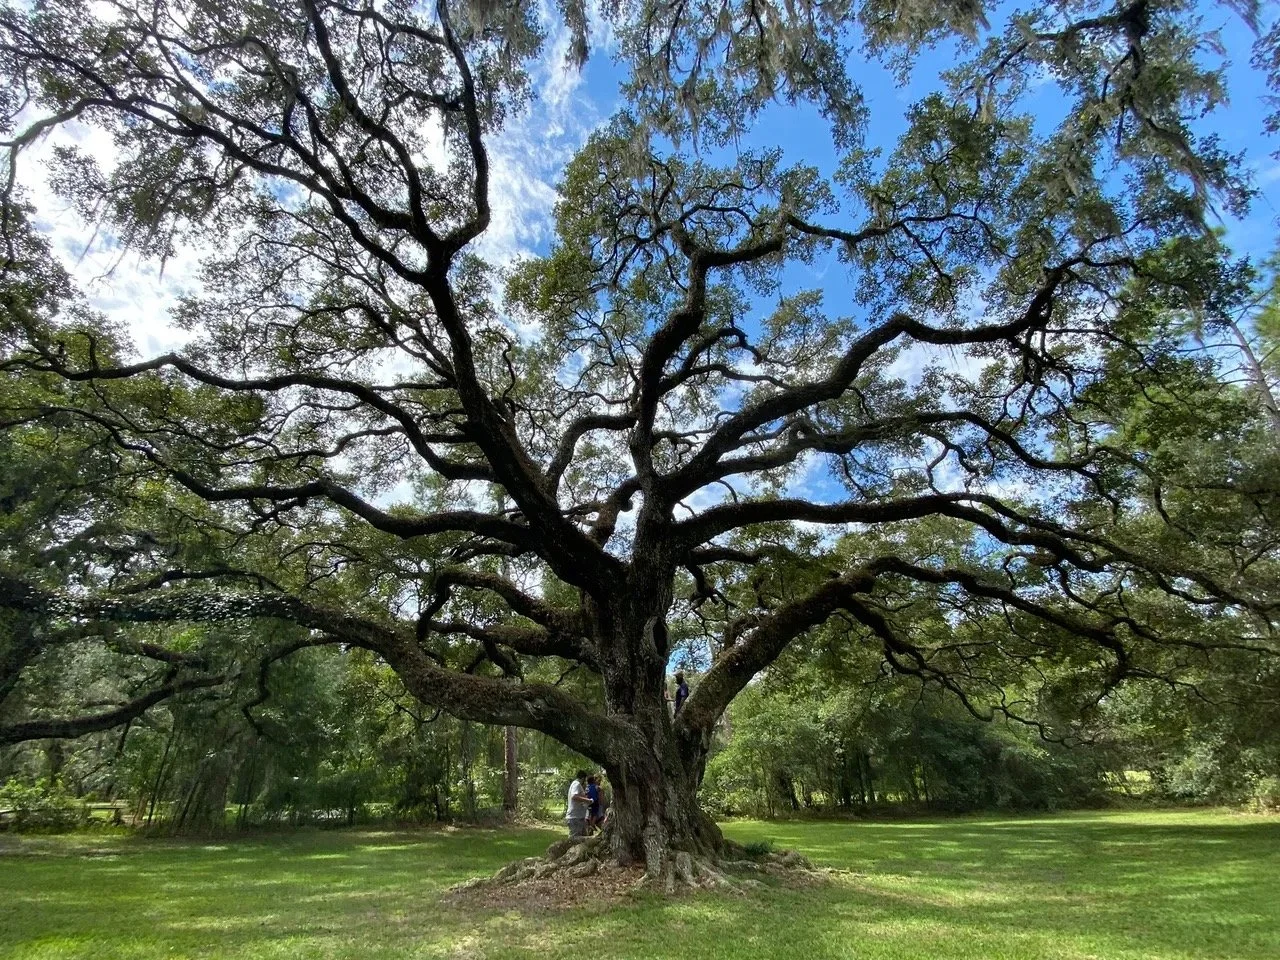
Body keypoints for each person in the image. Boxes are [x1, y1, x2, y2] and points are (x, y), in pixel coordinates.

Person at [565, 769, 591, 837]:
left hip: (580, 816)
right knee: (575, 839)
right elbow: (574, 796)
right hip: (575, 817)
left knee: (583, 838)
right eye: (584, 780)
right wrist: (587, 800)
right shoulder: (576, 784)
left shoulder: (576, 784)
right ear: (583, 778)